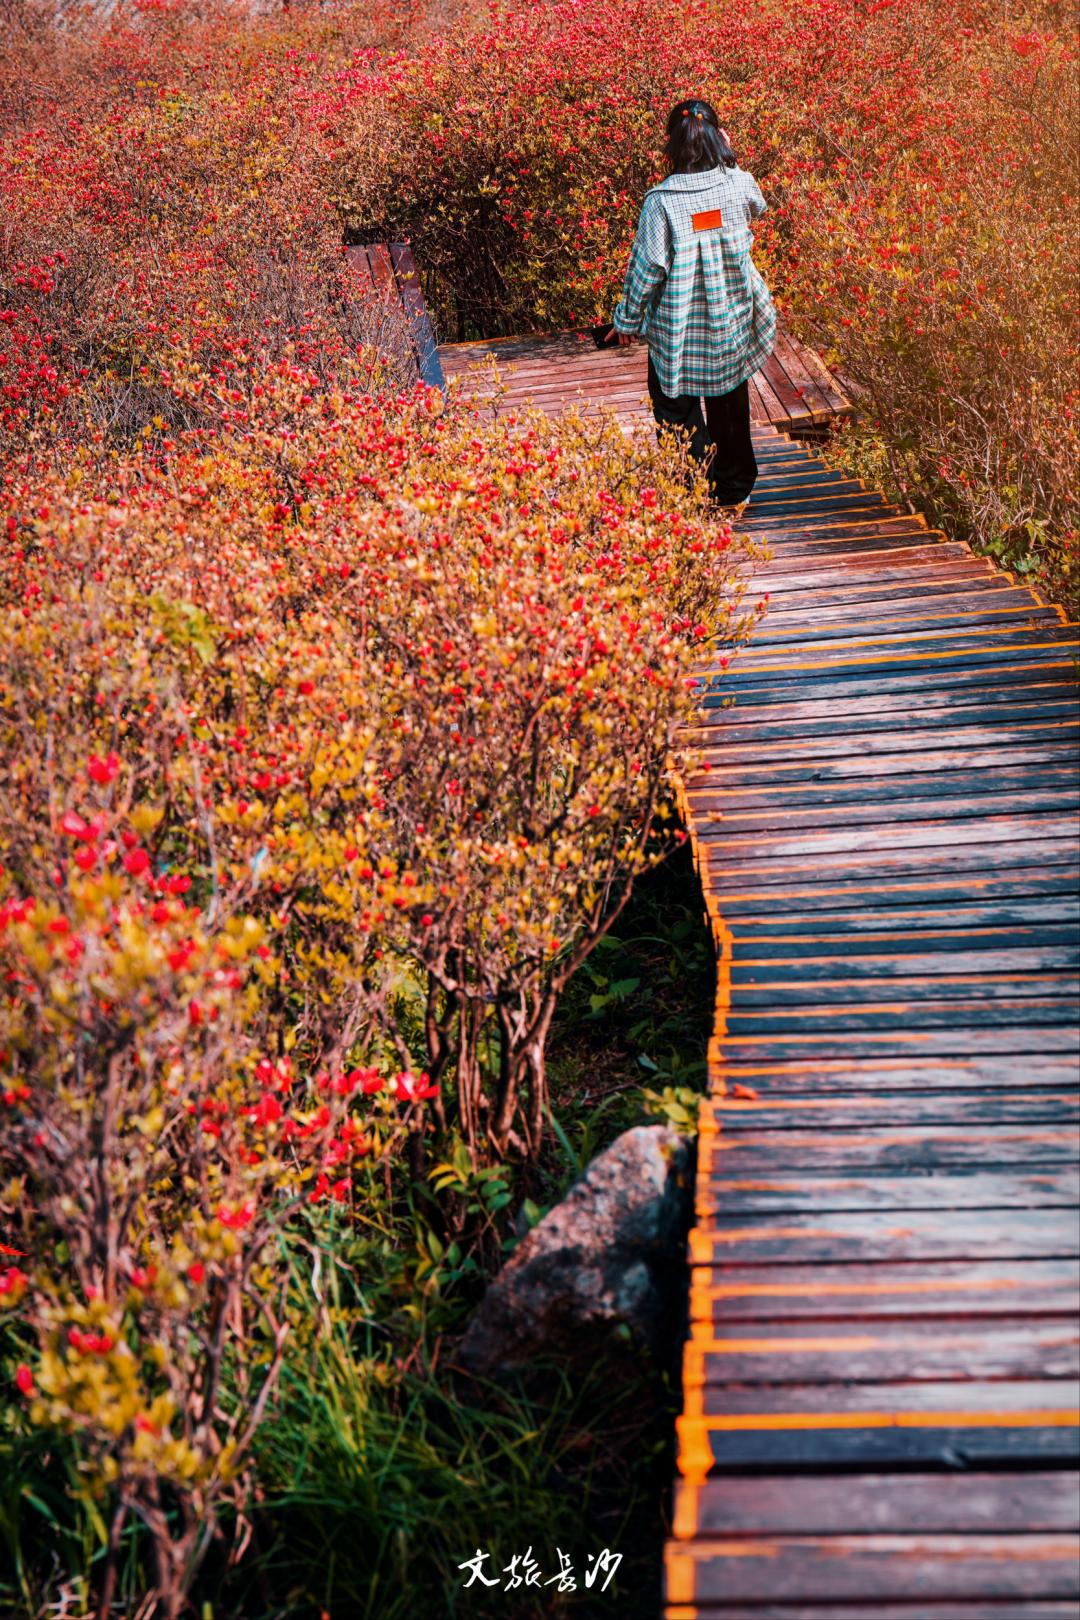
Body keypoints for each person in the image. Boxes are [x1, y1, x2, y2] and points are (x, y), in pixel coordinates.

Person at [597, 100, 777, 511]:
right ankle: (734, 491)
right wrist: (728, 158)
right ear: (718, 136)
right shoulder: (740, 183)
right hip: (731, 318)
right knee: (729, 401)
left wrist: (626, 320)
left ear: (670, 147)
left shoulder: (660, 202)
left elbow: (647, 270)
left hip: (677, 327)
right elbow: (758, 207)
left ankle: (694, 489)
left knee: (675, 407)